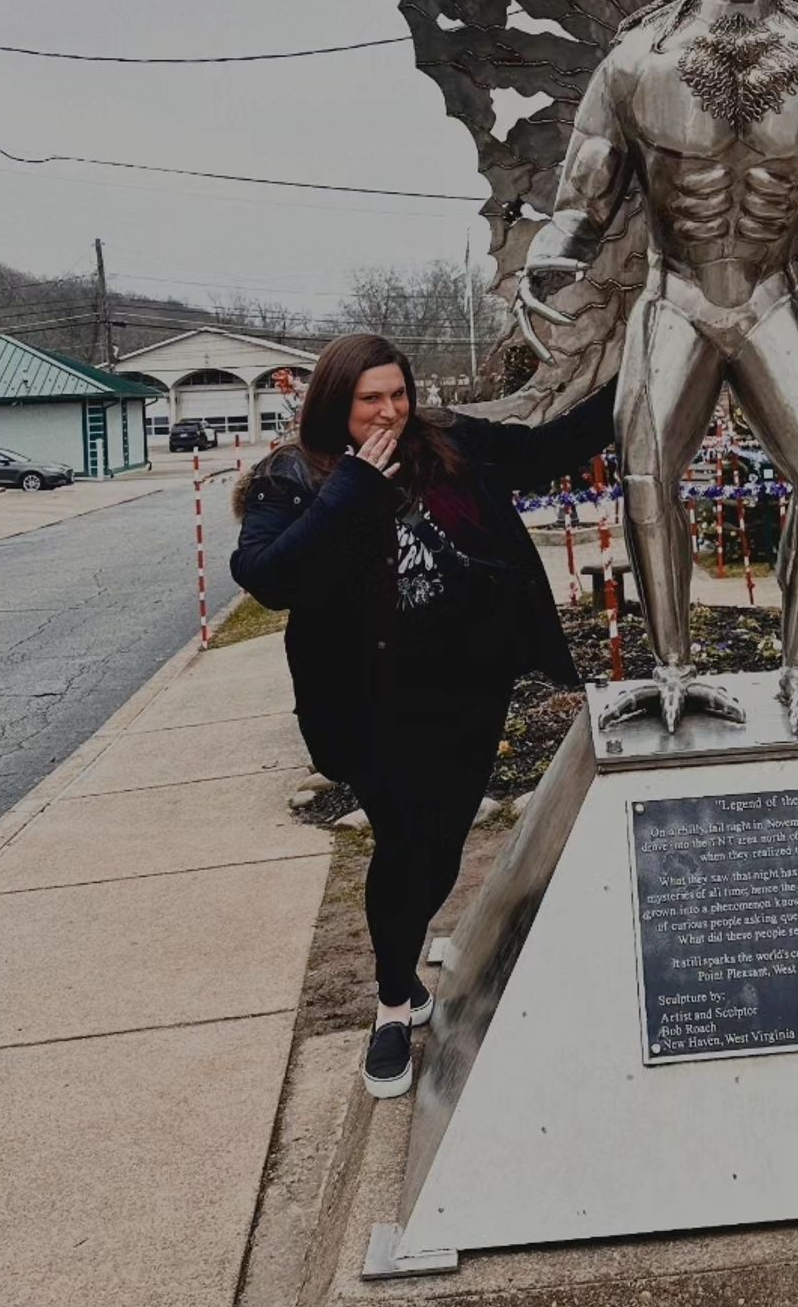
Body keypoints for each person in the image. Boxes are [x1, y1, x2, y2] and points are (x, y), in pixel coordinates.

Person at [230, 332, 615, 1099]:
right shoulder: (294, 477)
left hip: (467, 688)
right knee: (402, 844)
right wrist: (351, 491)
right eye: (368, 399)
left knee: (439, 847)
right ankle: (391, 1001)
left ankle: (403, 976)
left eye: (396, 394)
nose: (387, 411)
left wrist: (645, 361)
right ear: (334, 404)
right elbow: (270, 578)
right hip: (369, 701)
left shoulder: (449, 444)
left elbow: (549, 450)